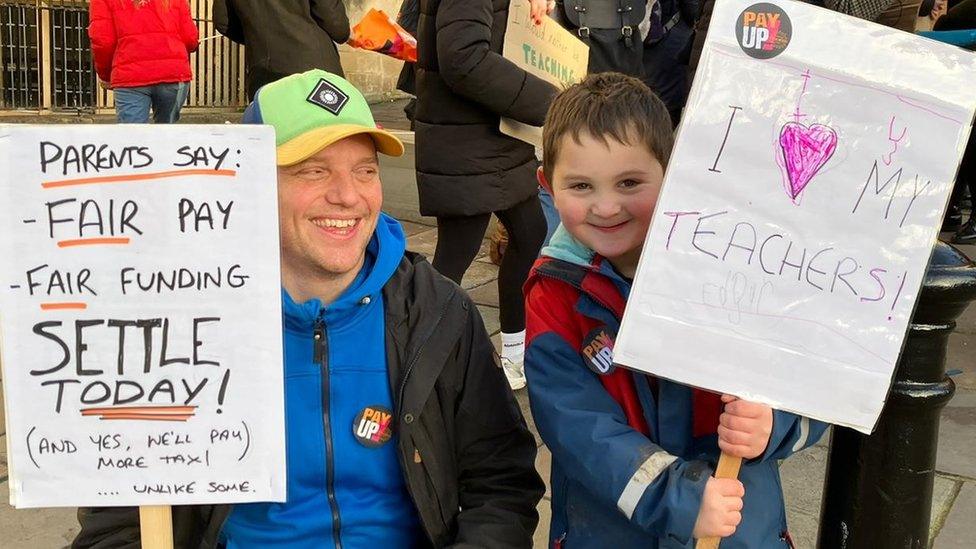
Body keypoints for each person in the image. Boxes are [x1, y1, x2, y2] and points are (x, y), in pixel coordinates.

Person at [71, 69, 544, 548]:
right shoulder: (181, 321)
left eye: (365, 169)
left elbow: (501, 485)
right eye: (313, 170)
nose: (349, 195)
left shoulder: (437, 311)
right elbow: (118, 521)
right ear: (249, 184)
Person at [524, 73, 828, 547]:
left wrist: (775, 425)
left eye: (629, 182)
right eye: (581, 186)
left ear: (673, 172)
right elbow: (576, 425)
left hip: (741, 528)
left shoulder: (736, 263)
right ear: (547, 185)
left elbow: (811, 375)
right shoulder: (554, 292)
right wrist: (678, 498)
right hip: (611, 530)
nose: (606, 207)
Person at [414, 0, 559, 390]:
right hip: (468, 137)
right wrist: (552, 102)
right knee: (454, 257)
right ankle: (417, 362)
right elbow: (462, 57)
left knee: (530, 232)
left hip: (496, 134)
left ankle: (514, 353)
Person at [213, 0, 350, 100]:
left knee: (277, 137)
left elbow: (223, 21)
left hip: (265, 74)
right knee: (326, 135)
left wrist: (257, 39)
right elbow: (337, 26)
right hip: (315, 72)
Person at [88, 0, 198, 124]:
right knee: (167, 135)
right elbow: (190, 38)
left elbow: (103, 41)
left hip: (130, 76)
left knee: (133, 137)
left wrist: (106, 75)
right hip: (172, 73)